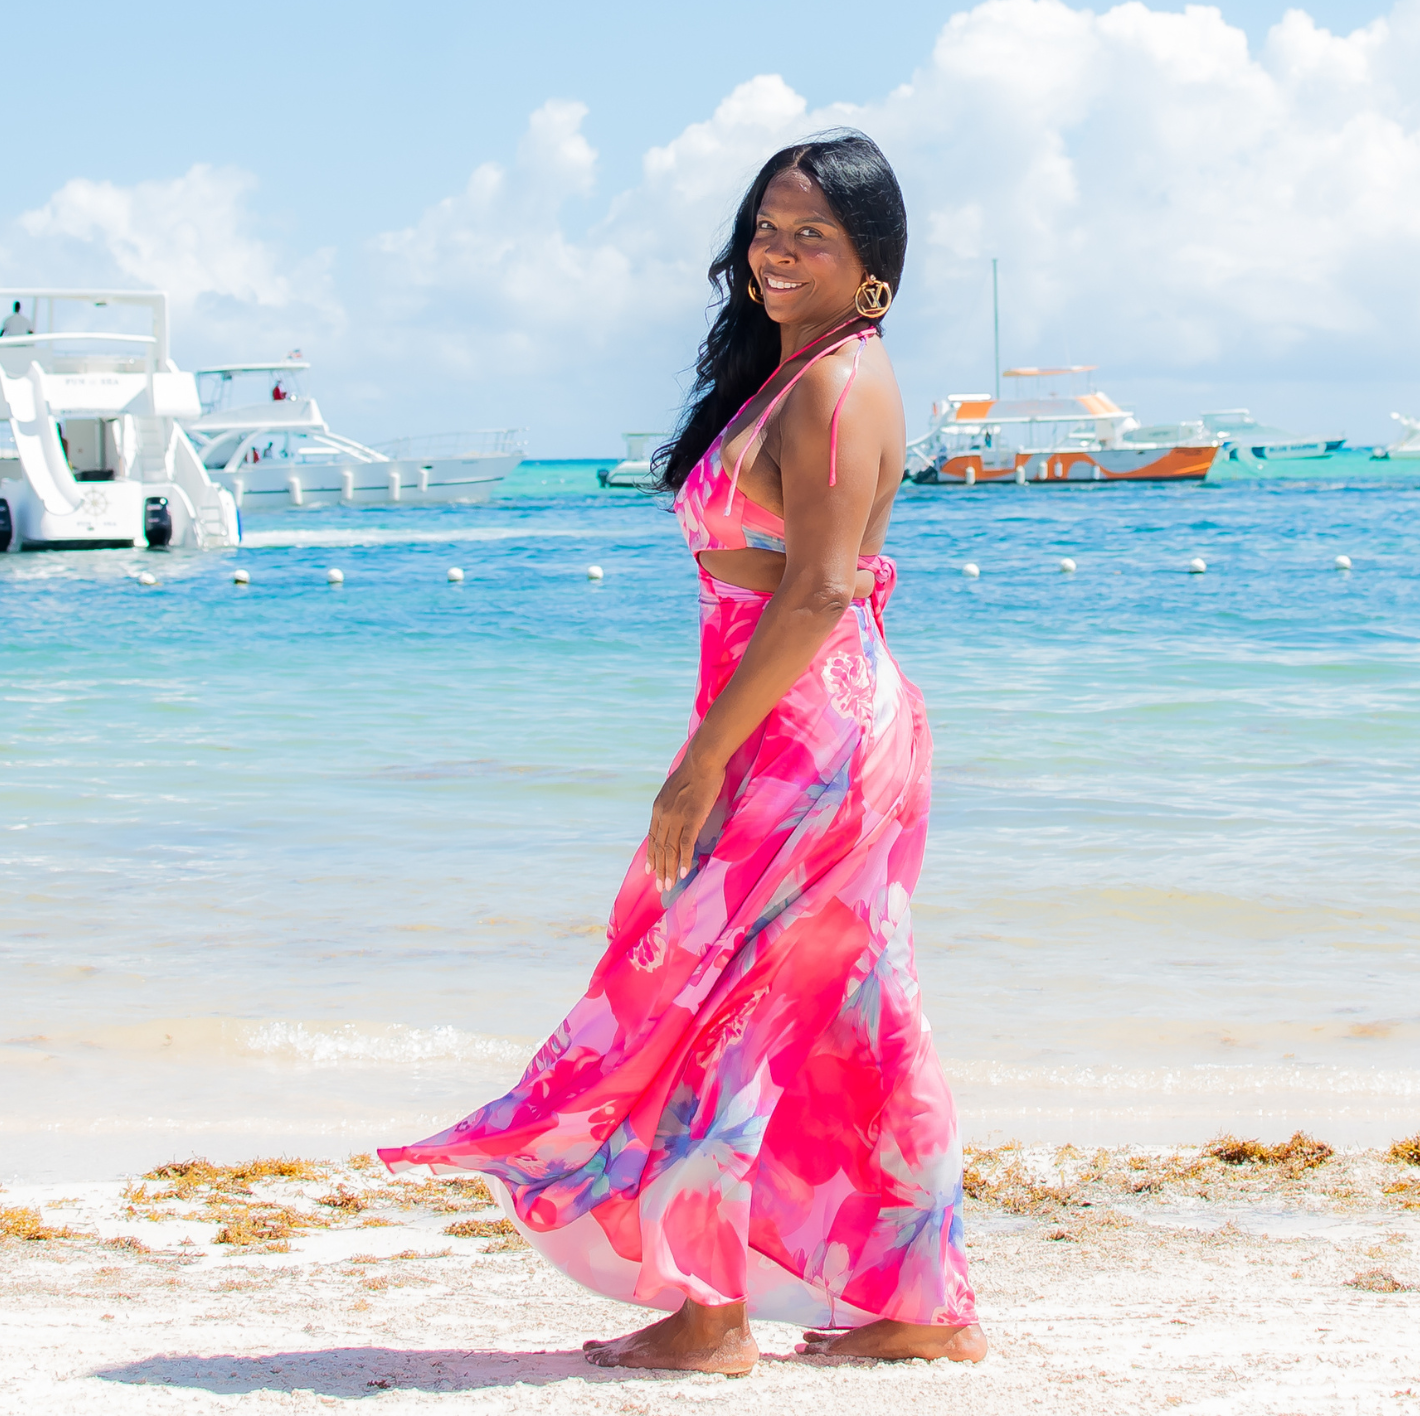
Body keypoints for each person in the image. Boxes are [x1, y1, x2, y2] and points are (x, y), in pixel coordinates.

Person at [379, 130, 984, 1374]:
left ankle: (713, 1312)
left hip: (806, 732)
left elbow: (815, 592)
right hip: (809, 716)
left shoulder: (836, 382)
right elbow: (827, 584)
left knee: (724, 1001)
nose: (776, 252)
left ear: (874, 264)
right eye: (766, 226)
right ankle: (913, 1305)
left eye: (809, 234)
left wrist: (700, 763)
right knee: (838, 1010)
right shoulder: (793, 374)